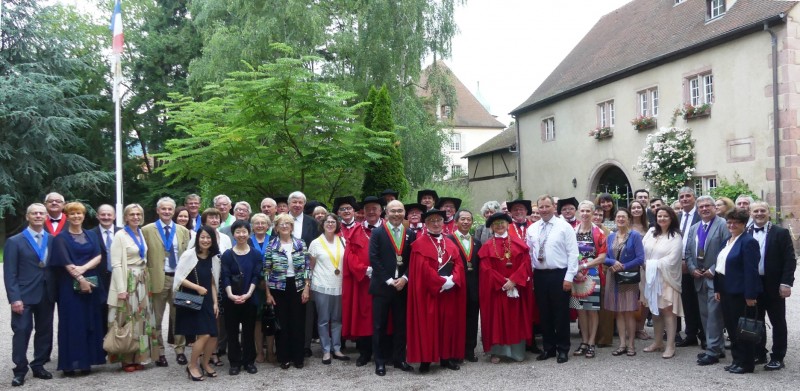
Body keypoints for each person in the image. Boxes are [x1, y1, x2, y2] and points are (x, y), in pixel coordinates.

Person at [49, 202, 106, 376]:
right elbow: (65, 261)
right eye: (72, 214)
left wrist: (83, 269)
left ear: (83, 215)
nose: (76, 216)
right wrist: (80, 278)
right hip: (69, 287)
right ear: (67, 216)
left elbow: (98, 255)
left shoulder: (92, 235)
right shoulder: (61, 237)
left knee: (90, 321)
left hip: (91, 284)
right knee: (72, 323)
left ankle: (87, 361)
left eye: (79, 213)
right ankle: (70, 363)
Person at [4, 203, 57, 387]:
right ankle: (20, 370)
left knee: (45, 331)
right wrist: (14, 298)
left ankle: (39, 365)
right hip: (24, 296)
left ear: (46, 217)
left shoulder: (51, 239)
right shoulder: (15, 241)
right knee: (21, 331)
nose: (38, 216)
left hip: (46, 294)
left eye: (41, 213)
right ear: (27, 217)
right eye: (34, 213)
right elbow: (9, 273)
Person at [406, 208, 465, 372]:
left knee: (447, 325)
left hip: (448, 293)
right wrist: (440, 282)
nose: (436, 223)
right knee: (428, 326)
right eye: (432, 221)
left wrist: (453, 279)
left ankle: (446, 358)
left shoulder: (450, 242)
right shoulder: (419, 244)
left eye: (439, 220)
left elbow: (459, 264)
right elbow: (422, 269)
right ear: (426, 224)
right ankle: (426, 360)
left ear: (443, 223)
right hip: (429, 294)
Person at [526, 195, 579, 364]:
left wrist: (569, 277)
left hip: (559, 274)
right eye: (540, 207)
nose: (543, 210)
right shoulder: (533, 228)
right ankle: (549, 348)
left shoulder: (564, 227)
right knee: (544, 313)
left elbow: (573, 253)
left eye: (547, 206)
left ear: (553, 207)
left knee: (561, 314)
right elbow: (529, 253)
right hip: (540, 275)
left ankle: (563, 349)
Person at [107, 203, 159, 372]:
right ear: (126, 217)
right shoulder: (120, 235)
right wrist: (121, 289)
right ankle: (126, 358)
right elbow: (115, 264)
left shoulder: (140, 233)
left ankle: (140, 356)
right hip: (128, 280)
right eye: (132, 214)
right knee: (128, 319)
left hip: (143, 279)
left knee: (142, 320)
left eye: (138, 214)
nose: (135, 217)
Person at [142, 197, 192, 367]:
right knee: (156, 319)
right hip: (158, 278)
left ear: (173, 211)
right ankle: (159, 352)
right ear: (158, 210)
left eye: (170, 209)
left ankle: (180, 350)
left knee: (179, 317)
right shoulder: (147, 230)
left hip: (178, 280)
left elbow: (187, 256)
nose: (167, 212)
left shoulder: (182, 231)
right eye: (163, 209)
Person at [478, 212, 532, 363]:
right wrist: (503, 282)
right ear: (492, 227)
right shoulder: (487, 245)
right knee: (497, 320)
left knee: (515, 319)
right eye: (496, 224)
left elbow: (526, 263)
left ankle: (516, 352)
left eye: (502, 223)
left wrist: (514, 280)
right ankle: (497, 352)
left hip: (516, 288)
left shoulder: (517, 242)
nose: (499, 226)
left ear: (507, 224)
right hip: (498, 290)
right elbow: (485, 268)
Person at [748, 201, 796, 370]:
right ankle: (759, 353)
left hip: (774, 284)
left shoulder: (780, 233)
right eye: (756, 211)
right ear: (750, 213)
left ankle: (778, 357)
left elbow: (790, 260)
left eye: (762, 210)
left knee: (778, 321)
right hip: (753, 285)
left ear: (768, 213)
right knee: (756, 320)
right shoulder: (745, 232)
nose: (759, 213)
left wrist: (786, 283)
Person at [369, 201, 415, 375]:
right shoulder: (378, 232)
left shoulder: (410, 234)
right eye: (393, 211)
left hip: (403, 287)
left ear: (404, 213)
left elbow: (414, 260)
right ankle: (379, 361)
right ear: (386, 213)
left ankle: (399, 359)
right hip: (382, 287)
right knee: (379, 326)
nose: (396, 214)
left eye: (400, 210)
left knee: (401, 325)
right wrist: (389, 280)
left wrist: (404, 278)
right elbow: (374, 258)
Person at [715, 208, 762, 374]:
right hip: (726, 289)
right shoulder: (727, 241)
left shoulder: (748, 242)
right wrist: (717, 288)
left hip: (740, 293)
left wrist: (750, 295)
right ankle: (736, 360)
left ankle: (747, 363)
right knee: (731, 328)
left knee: (742, 329)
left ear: (744, 224)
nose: (732, 225)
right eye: (729, 221)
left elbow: (751, 271)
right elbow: (719, 266)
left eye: (736, 222)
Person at [264, 213, 311, 369]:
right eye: (281, 224)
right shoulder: (271, 245)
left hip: (297, 286)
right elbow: (266, 271)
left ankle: (298, 357)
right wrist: (268, 294)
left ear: (292, 227)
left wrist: (306, 288)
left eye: (287, 223)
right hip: (278, 288)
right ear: (276, 228)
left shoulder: (300, 244)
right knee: (282, 323)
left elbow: (307, 267)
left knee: (297, 322)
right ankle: (283, 357)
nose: (284, 226)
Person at [174, 226, 221, 382]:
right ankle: (192, 365)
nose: (205, 240)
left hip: (208, 300)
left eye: (209, 237)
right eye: (203, 237)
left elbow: (213, 283)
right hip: (192, 298)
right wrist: (197, 288)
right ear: (197, 239)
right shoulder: (189, 255)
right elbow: (179, 278)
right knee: (204, 334)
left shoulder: (214, 258)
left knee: (213, 335)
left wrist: (215, 303)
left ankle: (205, 363)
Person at [685, 196, 727, 365]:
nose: (704, 209)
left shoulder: (723, 225)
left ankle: (712, 351)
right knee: (705, 314)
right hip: (699, 277)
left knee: (715, 315)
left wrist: (713, 269)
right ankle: (718, 347)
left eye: (707, 205)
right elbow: (688, 252)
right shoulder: (695, 228)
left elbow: (726, 249)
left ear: (714, 208)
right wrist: (692, 268)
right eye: (701, 206)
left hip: (715, 277)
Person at [342, 196, 383, 366]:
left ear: (381, 211)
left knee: (383, 317)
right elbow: (349, 255)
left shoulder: (389, 229)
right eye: (368, 209)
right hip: (364, 281)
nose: (371, 211)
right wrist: (364, 270)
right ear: (363, 212)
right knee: (365, 317)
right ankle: (365, 353)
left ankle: (383, 352)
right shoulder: (355, 231)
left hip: (385, 281)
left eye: (375, 208)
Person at [641, 206, 684, 359]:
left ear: (671, 218)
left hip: (666, 279)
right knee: (655, 311)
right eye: (659, 216)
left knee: (668, 312)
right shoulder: (651, 232)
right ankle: (658, 342)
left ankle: (670, 345)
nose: (662, 219)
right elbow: (642, 250)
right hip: (651, 279)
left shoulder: (676, 236)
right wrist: (645, 263)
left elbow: (673, 259)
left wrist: (651, 264)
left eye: (665, 216)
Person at [220, 220, 262, 375]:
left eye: (244, 231)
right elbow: (225, 276)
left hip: (249, 298)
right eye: (238, 232)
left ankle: (249, 361)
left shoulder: (256, 254)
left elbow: (256, 276)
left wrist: (248, 294)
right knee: (232, 331)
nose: (241, 234)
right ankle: (234, 362)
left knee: (248, 331)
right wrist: (231, 295)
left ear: (249, 233)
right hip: (231, 299)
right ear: (233, 234)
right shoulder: (227, 255)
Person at [308, 213, 351, 365]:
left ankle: (337, 348)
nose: (330, 224)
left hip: (339, 285)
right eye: (328, 222)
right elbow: (311, 266)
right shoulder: (316, 243)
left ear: (337, 224)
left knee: (337, 319)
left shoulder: (343, 240)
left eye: (333, 222)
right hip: (321, 284)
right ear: (323, 224)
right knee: (323, 319)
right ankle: (326, 350)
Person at [603, 208, 644, 357]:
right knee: (618, 312)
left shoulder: (635, 236)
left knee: (628, 313)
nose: (620, 219)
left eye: (623, 217)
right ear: (615, 219)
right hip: (613, 277)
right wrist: (613, 262)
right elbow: (605, 257)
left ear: (628, 219)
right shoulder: (610, 237)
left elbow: (640, 258)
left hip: (628, 278)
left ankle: (631, 344)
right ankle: (621, 344)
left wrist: (623, 266)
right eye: (618, 217)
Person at [570, 201, 607, 359]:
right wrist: (576, 268)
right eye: (582, 210)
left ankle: (591, 342)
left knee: (592, 310)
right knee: (580, 310)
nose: (585, 213)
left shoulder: (598, 233)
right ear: (578, 212)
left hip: (591, 274)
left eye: (588, 211)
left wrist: (583, 265)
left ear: (593, 213)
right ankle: (584, 341)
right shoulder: (573, 230)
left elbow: (603, 256)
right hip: (576, 275)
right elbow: (569, 251)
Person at [446, 209, 482, 363]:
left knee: (472, 319)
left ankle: (470, 349)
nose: (466, 222)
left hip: (473, 285)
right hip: (456, 286)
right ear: (456, 221)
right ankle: (456, 351)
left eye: (469, 219)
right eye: (463, 219)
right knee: (455, 319)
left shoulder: (477, 242)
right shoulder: (448, 240)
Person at [287, 191, 320, 357]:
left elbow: (316, 248)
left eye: (300, 202)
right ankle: (286, 346)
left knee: (306, 311)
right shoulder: (280, 221)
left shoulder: (312, 223)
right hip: (284, 273)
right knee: (286, 310)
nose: (297, 205)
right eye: (294, 202)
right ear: (288, 204)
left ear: (304, 205)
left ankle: (305, 345)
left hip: (305, 273)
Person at [677, 187, 703, 348]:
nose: (685, 199)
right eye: (682, 197)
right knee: (687, 302)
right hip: (679, 265)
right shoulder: (677, 216)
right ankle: (691, 334)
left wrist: (690, 262)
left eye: (688, 196)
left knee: (700, 301)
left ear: (694, 198)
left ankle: (705, 335)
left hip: (697, 266)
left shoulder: (701, 215)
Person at [249, 213, 274, 363]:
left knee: (270, 318)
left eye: (262, 223)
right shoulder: (246, 241)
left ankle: (271, 351)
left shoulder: (273, 240)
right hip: (253, 286)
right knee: (257, 321)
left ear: (268, 226)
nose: (259, 226)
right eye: (256, 223)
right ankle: (259, 352)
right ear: (252, 226)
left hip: (272, 285)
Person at [628, 199, 651, 340]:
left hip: (645, 266)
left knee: (645, 298)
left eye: (639, 207)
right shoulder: (626, 225)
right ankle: (630, 327)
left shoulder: (648, 227)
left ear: (643, 210)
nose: (636, 210)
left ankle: (640, 327)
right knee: (630, 297)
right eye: (633, 207)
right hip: (630, 266)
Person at [92, 204, 119, 297]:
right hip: (98, 278)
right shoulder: (90, 234)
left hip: (118, 277)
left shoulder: (123, 233)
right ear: (97, 216)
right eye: (103, 214)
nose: (106, 217)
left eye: (109, 214)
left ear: (114, 216)